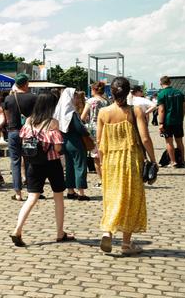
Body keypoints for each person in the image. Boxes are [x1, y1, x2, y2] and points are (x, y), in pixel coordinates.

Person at [97, 77, 156, 255]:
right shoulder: (135, 111)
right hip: (131, 159)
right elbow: (145, 138)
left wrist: (101, 162)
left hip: (110, 160)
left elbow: (99, 141)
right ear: (128, 92)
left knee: (112, 196)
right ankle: (126, 244)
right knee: (131, 199)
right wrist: (153, 159)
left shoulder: (103, 113)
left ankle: (108, 231)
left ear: (111, 92)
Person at [9, 93, 72, 247]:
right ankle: (59, 233)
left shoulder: (29, 121)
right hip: (52, 164)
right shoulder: (53, 123)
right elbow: (57, 147)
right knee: (58, 197)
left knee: (32, 197)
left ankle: (17, 229)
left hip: (34, 164)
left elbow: (24, 141)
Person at [3, 75, 37, 201]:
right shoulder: (33, 98)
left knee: (15, 162)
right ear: (26, 84)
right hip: (29, 132)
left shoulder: (9, 98)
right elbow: (37, 116)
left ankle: (18, 192)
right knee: (30, 160)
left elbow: (7, 117)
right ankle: (31, 191)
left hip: (13, 132)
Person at [54, 88, 90, 201]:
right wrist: (86, 131)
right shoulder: (72, 113)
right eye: (74, 96)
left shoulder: (59, 112)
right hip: (75, 142)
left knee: (69, 167)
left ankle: (70, 191)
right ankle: (81, 192)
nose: (76, 98)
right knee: (80, 166)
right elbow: (80, 128)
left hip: (64, 141)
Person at [81, 81, 110, 185]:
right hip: (106, 129)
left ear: (93, 89)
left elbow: (83, 117)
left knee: (96, 157)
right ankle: (108, 179)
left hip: (94, 129)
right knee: (105, 155)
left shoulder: (91, 101)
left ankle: (102, 180)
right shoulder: (107, 101)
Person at [156, 75, 185, 168]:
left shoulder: (161, 94)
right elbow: (184, 107)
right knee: (180, 142)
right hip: (178, 121)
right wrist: (181, 118)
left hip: (167, 122)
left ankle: (173, 162)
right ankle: (183, 161)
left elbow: (161, 110)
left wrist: (161, 123)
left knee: (169, 142)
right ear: (170, 82)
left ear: (161, 83)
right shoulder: (179, 93)